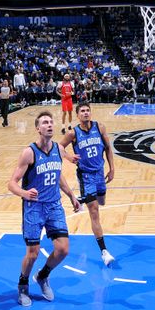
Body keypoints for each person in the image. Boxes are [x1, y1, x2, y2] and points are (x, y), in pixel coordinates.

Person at [8, 110, 81, 306]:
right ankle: (23, 285)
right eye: (45, 122)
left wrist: (72, 196)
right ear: (37, 129)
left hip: (54, 205)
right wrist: (24, 193)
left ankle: (42, 276)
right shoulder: (29, 153)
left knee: (63, 249)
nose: (49, 125)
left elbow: (57, 176)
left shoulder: (58, 148)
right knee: (32, 253)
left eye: (51, 122)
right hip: (34, 208)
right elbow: (12, 183)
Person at [59, 102, 116, 266]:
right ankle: (104, 252)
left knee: (102, 201)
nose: (85, 113)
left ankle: (81, 199)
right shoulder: (72, 133)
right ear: (77, 115)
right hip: (86, 176)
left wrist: (112, 169)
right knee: (94, 210)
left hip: (100, 173)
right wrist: (69, 157)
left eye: (87, 110)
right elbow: (59, 147)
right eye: (82, 111)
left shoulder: (100, 127)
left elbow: (108, 149)